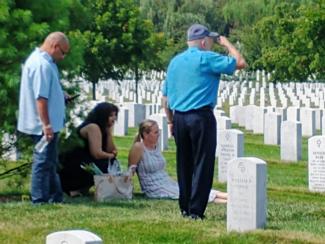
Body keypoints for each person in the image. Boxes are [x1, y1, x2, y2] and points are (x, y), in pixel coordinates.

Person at [162, 24, 246, 219]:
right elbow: (240, 62)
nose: (211, 44)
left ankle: (185, 206)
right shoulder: (206, 58)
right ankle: (196, 210)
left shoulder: (174, 62)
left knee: (184, 164)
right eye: (210, 41)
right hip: (200, 117)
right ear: (203, 41)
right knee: (202, 163)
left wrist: (170, 121)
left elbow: (165, 97)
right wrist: (227, 44)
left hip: (179, 117)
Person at [17, 32, 70, 204]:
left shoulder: (45, 62)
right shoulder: (42, 65)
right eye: (63, 52)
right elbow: (41, 98)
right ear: (55, 46)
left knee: (50, 161)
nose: (63, 57)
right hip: (43, 125)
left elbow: (47, 91)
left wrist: (61, 94)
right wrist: (46, 125)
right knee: (42, 161)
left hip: (49, 123)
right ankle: (39, 199)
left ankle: (56, 197)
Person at [128, 119, 227, 204]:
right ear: (145, 134)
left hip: (166, 181)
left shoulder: (156, 145)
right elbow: (131, 170)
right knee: (186, 195)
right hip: (154, 187)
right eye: (155, 132)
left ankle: (232, 197)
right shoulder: (138, 147)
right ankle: (229, 201)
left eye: (158, 131)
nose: (158, 135)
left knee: (192, 189)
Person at [58, 102, 119, 197]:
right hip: (73, 165)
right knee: (107, 163)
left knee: (111, 162)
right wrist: (111, 156)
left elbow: (111, 149)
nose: (114, 118)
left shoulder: (104, 129)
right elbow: (97, 154)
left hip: (84, 161)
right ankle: (73, 188)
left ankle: (82, 188)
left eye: (115, 115)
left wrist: (109, 132)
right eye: (111, 115)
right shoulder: (93, 127)